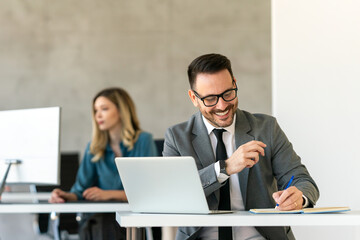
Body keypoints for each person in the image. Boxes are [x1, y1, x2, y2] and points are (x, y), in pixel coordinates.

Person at [163, 53, 319, 240]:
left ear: (235, 83)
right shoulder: (177, 137)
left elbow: (303, 180)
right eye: (210, 99)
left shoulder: (267, 128)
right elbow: (173, 195)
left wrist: (298, 197)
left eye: (227, 93)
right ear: (193, 98)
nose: (222, 105)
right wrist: (225, 168)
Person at [49, 87, 158, 240]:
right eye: (95, 110)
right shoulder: (94, 147)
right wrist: (64, 195)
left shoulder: (143, 141)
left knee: (111, 226)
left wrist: (108, 195)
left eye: (104, 109)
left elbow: (150, 193)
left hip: (134, 220)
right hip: (101, 220)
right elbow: (80, 190)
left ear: (121, 111)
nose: (97, 115)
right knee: (104, 224)